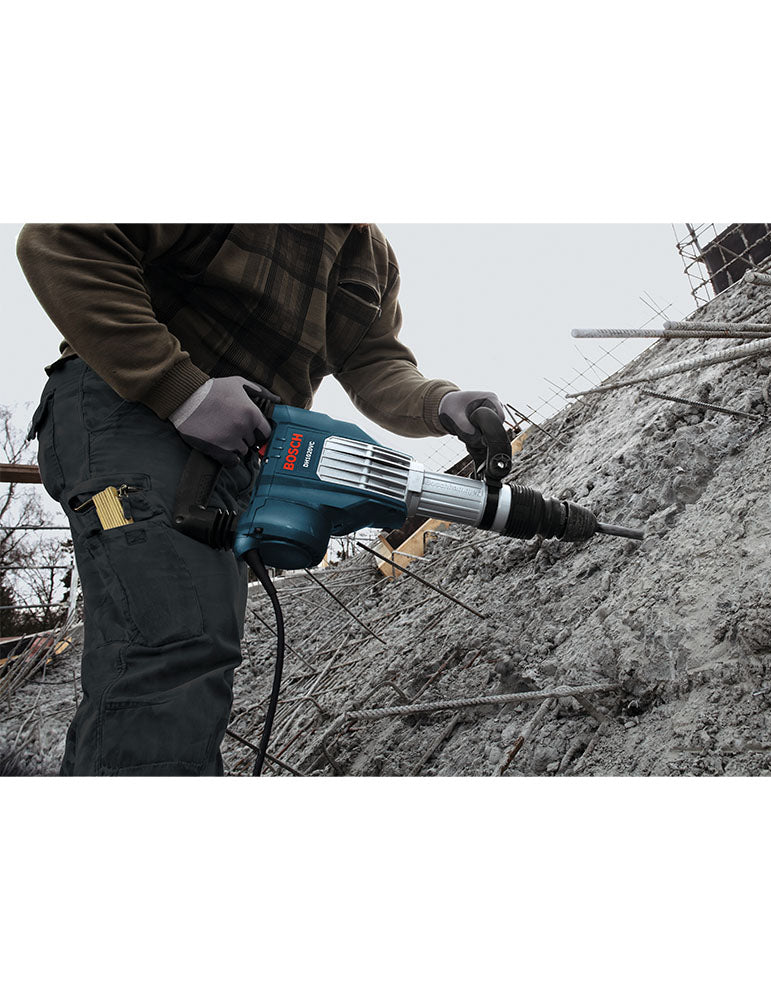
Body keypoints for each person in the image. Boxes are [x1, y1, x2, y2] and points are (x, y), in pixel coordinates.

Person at [17, 224, 505, 776]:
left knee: (186, 648)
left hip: (236, 454)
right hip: (129, 411)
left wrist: (441, 402)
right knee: (176, 639)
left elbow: (374, 364)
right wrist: (182, 389)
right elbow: (62, 240)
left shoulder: (371, 258)